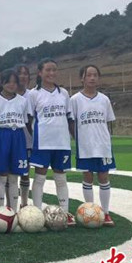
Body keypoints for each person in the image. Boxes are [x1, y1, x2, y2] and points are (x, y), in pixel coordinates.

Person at [28, 58, 75, 226]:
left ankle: (65, 212)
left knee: (61, 178)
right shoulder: (33, 94)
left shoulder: (64, 93)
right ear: (40, 72)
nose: (51, 73)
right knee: (39, 177)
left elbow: (69, 118)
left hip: (62, 142)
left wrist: (74, 137)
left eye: (54, 69)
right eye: (48, 70)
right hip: (43, 143)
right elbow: (28, 120)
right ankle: (37, 213)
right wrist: (35, 138)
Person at [71, 65, 116, 227]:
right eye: (88, 75)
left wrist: (106, 140)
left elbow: (108, 122)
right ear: (82, 78)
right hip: (85, 146)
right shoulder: (75, 100)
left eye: (95, 75)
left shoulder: (104, 99)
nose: (92, 78)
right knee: (87, 177)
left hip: (103, 145)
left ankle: (106, 212)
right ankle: (89, 212)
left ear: (98, 78)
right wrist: (77, 139)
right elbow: (71, 122)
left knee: (104, 177)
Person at [0, 70, 32, 210]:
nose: (11, 85)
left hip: (18, 136)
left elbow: (26, 121)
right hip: (2, 135)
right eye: (8, 81)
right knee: (2, 175)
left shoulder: (23, 101)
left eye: (14, 82)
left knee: (14, 176)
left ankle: (12, 210)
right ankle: (0, 210)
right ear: (2, 83)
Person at [14, 63, 33, 207]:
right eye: (20, 73)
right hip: (11, 140)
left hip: (28, 140)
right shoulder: (7, 95)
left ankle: (24, 204)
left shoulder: (32, 95)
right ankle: (10, 205)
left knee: (25, 173)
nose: (23, 76)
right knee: (11, 175)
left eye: (26, 73)